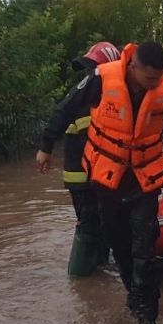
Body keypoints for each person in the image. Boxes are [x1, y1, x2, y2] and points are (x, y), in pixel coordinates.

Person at [36, 42, 163, 324]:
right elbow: (65, 108)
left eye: (157, 79)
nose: (153, 85)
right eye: (148, 79)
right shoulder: (100, 79)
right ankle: (135, 297)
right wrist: (45, 146)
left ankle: (148, 317)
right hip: (107, 179)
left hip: (144, 180)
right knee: (118, 244)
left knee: (144, 247)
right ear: (132, 67)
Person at [38, 42, 120, 276]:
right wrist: (46, 146)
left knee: (98, 223)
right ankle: (80, 276)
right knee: (90, 223)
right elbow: (60, 114)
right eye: (88, 68)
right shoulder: (85, 95)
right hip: (84, 176)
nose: (90, 73)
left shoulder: (103, 98)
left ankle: (99, 268)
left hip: (92, 175)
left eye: (93, 67)